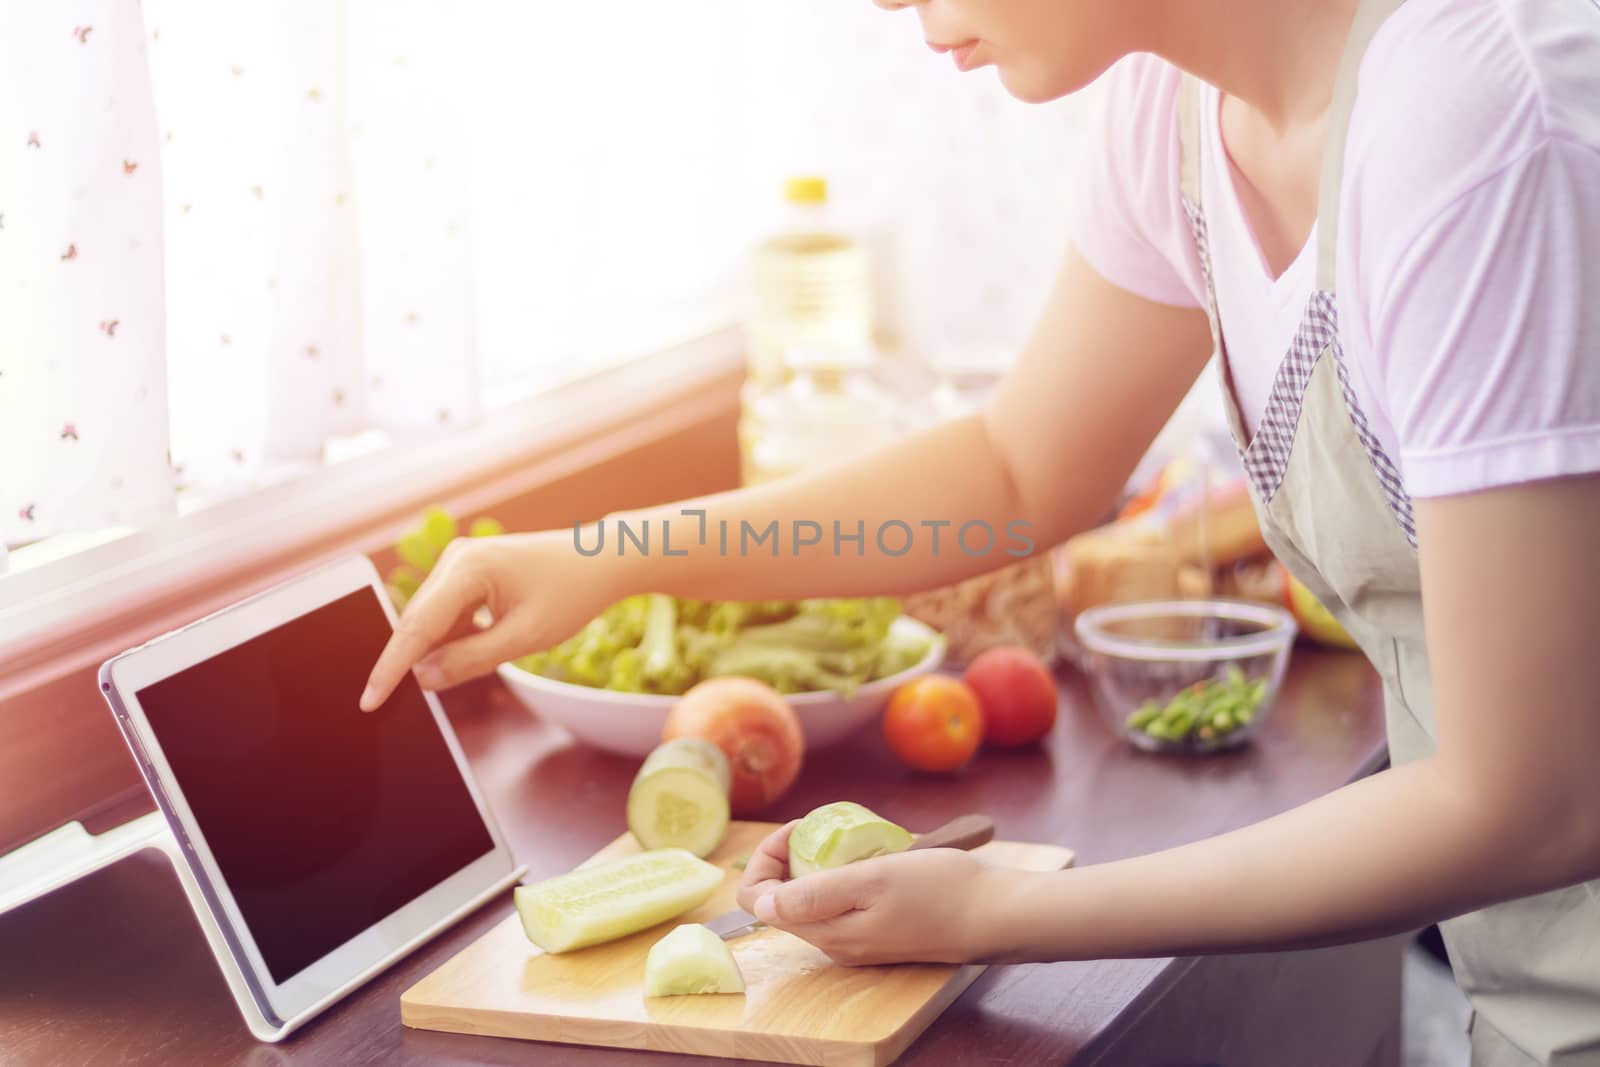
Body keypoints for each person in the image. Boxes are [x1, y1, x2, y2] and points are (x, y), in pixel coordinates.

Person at [361, 0, 1600, 1060]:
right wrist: (607, 556)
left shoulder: (1473, 119)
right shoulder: (1174, 116)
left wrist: (996, 909)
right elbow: (1018, 468)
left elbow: (1528, 797)